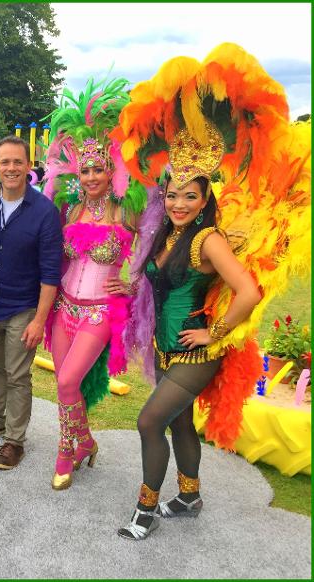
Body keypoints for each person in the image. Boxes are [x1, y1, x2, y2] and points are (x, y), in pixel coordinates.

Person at [112, 43, 309, 539]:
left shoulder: (209, 238)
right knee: (177, 424)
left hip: (196, 351)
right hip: (165, 347)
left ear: (205, 199)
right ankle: (191, 494)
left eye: (189, 195)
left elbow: (248, 290)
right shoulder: (168, 233)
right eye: (172, 193)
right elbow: (153, 273)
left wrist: (214, 332)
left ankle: (145, 510)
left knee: (147, 422)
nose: (178, 201)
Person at [41, 78, 146, 490]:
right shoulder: (69, 208)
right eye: (83, 170)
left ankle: (66, 452)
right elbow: (54, 256)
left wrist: (134, 283)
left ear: (111, 170)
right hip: (65, 305)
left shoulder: (125, 214)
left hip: (101, 310)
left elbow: (153, 252)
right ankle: (85, 441)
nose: (89, 177)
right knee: (64, 384)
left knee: (68, 382)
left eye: (97, 169)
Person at [0, 136, 62, 470]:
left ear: (28, 167)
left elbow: (51, 272)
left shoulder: (45, 212)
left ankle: (14, 440)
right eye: (4, 162)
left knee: (17, 374)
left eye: (18, 162)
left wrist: (39, 321)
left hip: (23, 306)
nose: (11, 168)